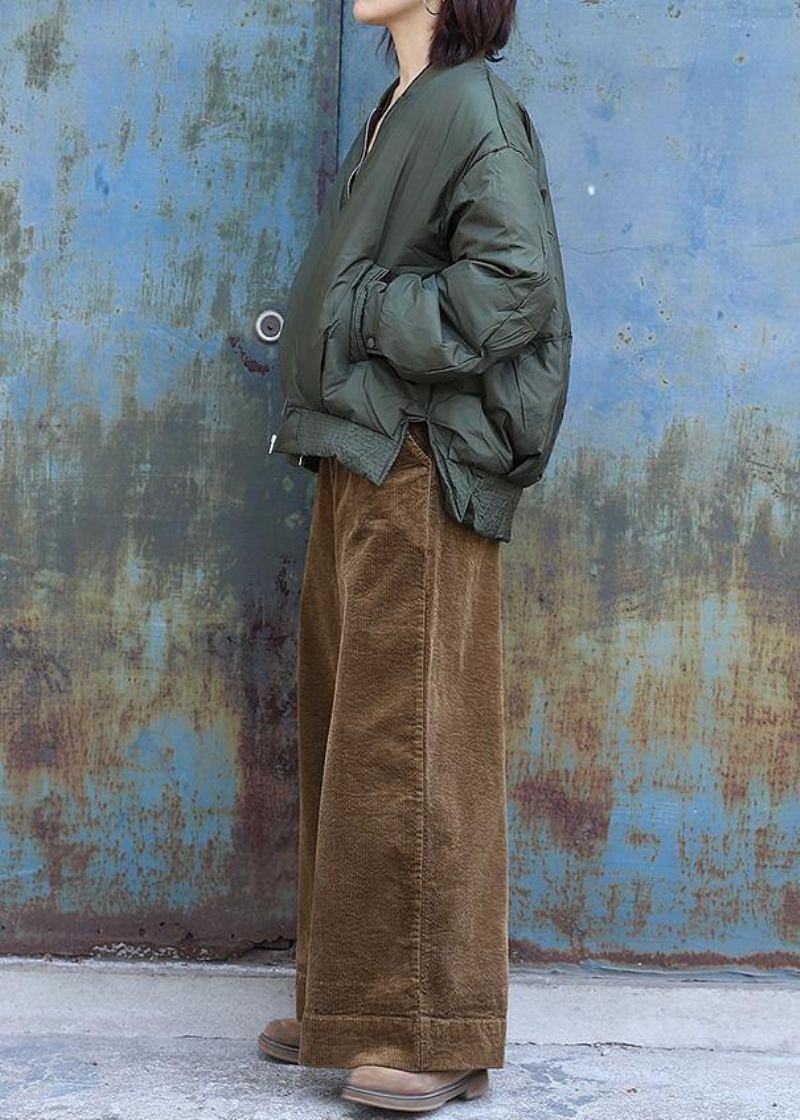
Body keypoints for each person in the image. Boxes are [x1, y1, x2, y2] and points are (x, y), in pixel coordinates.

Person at [261, 0, 571, 1112]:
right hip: (359, 453)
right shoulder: (404, 102)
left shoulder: (469, 101)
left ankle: (432, 1028)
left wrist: (368, 311)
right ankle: (353, 998)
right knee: (356, 733)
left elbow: (512, 284)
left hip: (415, 462)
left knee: (413, 740)